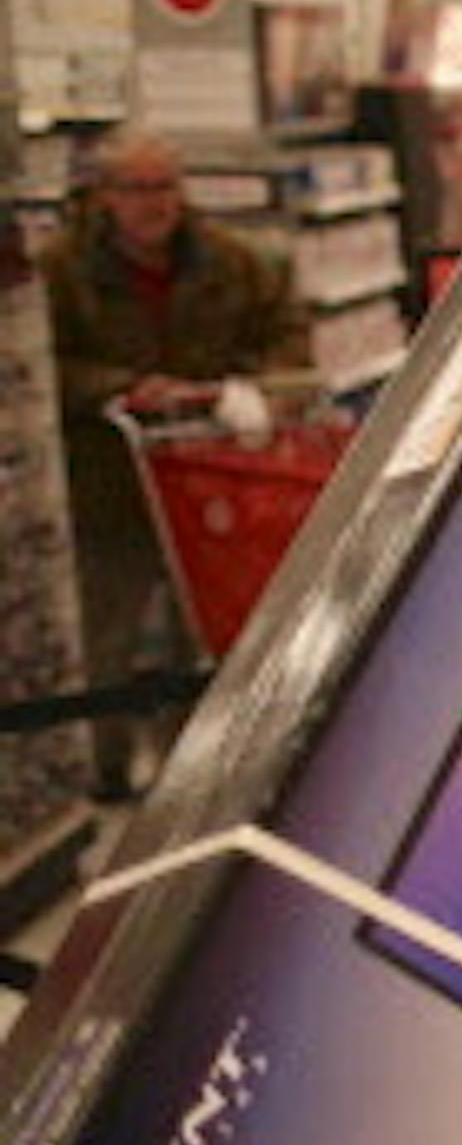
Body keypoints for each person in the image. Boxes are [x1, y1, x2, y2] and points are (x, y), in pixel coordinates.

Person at [38, 127, 312, 797]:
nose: (154, 202)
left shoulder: (230, 259)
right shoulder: (60, 270)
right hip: (109, 482)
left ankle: (195, 778)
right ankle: (104, 774)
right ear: (104, 195)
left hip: (208, 481)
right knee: (110, 631)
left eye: (165, 186)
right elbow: (41, 366)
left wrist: (255, 390)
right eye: (136, 188)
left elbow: (287, 335)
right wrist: (122, 387)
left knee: (207, 625)